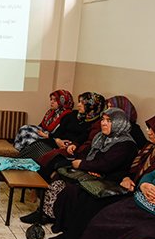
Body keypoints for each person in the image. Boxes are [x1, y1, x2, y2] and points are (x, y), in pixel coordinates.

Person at [47, 112, 155, 239]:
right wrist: (128, 178)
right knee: (73, 192)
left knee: (87, 200)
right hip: (127, 184)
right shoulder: (153, 147)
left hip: (141, 195)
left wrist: (130, 181)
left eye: (153, 129)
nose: (149, 132)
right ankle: (67, 234)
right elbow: (132, 169)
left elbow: (154, 180)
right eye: (148, 128)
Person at [20, 92, 106, 224]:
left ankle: (38, 194)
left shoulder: (95, 124)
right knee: (35, 146)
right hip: (59, 142)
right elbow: (59, 133)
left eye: (83, 103)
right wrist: (58, 140)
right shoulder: (74, 115)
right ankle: (28, 182)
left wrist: (71, 145)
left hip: (72, 151)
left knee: (49, 160)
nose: (79, 105)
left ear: (92, 106)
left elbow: (85, 143)